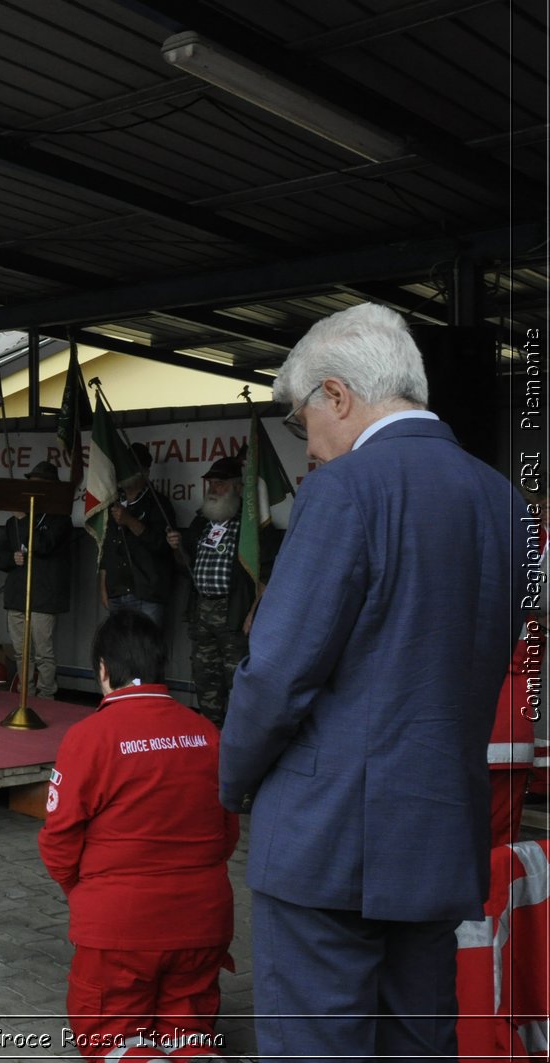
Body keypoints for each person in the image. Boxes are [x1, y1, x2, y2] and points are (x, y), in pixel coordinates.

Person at [220, 302, 527, 1060]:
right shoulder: (504, 503)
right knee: (418, 1046)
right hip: (438, 836)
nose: (310, 445)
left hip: (327, 844)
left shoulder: (346, 491)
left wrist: (228, 780)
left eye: (302, 420)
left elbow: (276, 676)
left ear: (337, 394)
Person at [39, 610, 237, 1062]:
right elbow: (227, 832)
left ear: (104, 669)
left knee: (114, 1040)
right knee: (190, 1036)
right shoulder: (207, 733)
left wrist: (88, 895)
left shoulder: (89, 737)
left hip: (118, 928)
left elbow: (59, 841)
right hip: (203, 921)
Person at [165, 455, 277, 727]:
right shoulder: (202, 521)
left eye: (220, 484)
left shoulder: (251, 526)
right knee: (205, 677)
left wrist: (254, 612)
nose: (213, 490)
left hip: (234, 614)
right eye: (211, 484)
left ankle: (238, 738)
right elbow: (185, 566)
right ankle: (210, 733)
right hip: (202, 612)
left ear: (238, 487)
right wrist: (176, 547)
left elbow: (267, 571)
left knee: (237, 679)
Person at [0, 461, 72, 699]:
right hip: (17, 593)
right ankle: (24, 691)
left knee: (43, 653)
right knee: (21, 652)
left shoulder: (60, 519)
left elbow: (44, 545)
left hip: (44, 595)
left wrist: (25, 519)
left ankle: (47, 694)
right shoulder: (12, 523)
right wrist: (12, 558)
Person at [98, 442, 173, 628]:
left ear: (144, 472)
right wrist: (104, 587)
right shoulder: (114, 503)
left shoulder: (158, 503)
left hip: (145, 593)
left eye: (129, 468)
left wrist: (130, 521)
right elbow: (107, 550)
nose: (124, 473)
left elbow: (162, 545)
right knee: (120, 651)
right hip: (117, 591)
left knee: (146, 651)